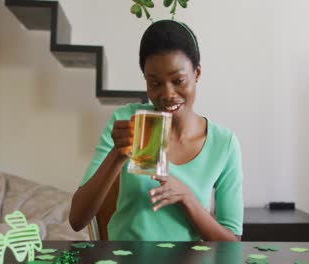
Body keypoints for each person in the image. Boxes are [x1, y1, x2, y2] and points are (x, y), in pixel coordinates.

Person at [69, 20, 243, 241]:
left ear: (196, 73)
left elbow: (232, 242)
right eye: (155, 83)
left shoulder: (224, 144)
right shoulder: (127, 121)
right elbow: (77, 220)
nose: (168, 94)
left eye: (178, 80)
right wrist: (118, 154)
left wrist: (187, 198)